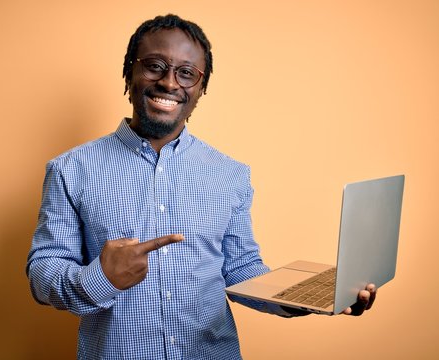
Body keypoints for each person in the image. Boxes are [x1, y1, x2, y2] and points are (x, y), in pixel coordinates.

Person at [26, 14, 376, 360]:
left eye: (186, 73)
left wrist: (309, 299)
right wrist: (102, 277)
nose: (169, 83)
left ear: (201, 88)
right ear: (128, 73)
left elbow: (240, 269)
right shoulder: (70, 169)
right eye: (155, 66)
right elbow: (43, 273)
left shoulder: (230, 174)